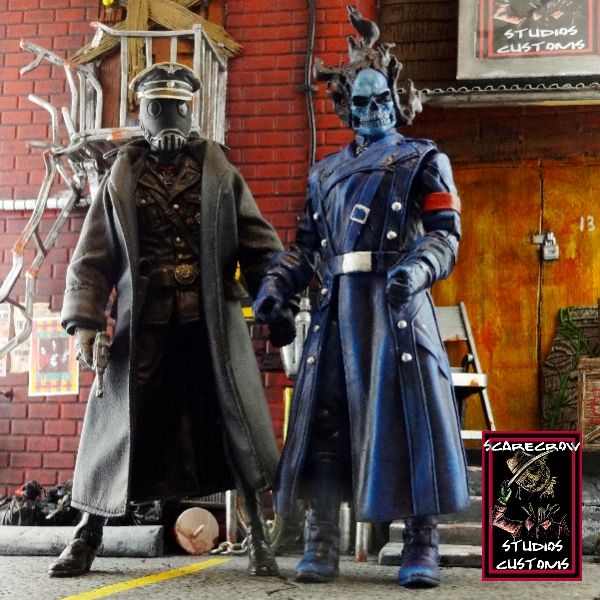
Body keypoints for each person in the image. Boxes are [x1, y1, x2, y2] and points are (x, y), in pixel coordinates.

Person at [253, 7, 469, 589]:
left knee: (411, 422)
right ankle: (322, 540)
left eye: (382, 101)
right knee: (327, 424)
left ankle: (420, 543)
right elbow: (305, 246)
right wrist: (276, 286)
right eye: (363, 103)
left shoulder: (424, 159)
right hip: (337, 313)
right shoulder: (323, 174)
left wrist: (418, 268)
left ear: (396, 100)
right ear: (348, 108)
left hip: (398, 309)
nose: (374, 112)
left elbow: (446, 236)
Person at [49, 62, 293, 577]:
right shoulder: (120, 178)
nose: (168, 119)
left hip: (210, 325)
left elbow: (259, 246)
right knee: (116, 430)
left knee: (234, 424)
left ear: (190, 111)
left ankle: (257, 538)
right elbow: (92, 258)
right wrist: (86, 324)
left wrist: (276, 297)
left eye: (177, 108)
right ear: (143, 113)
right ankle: (87, 533)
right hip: (144, 324)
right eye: (158, 108)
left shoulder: (220, 175)